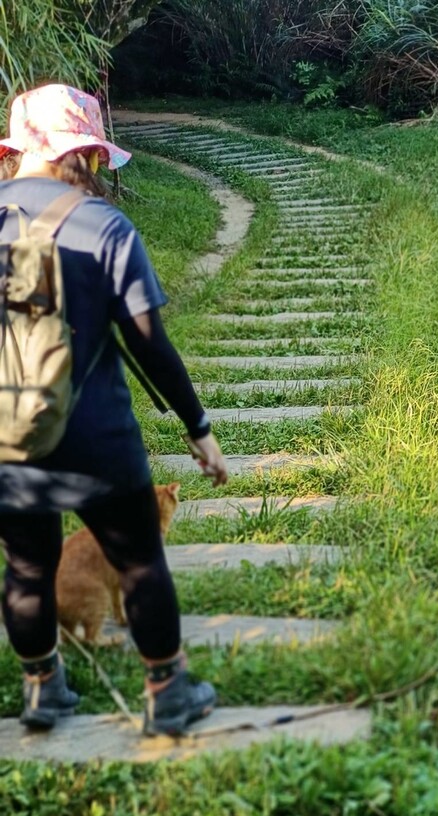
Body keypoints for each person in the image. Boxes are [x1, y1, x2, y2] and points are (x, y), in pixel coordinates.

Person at [0, 83, 228, 736]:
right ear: (86, 154)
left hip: (8, 435)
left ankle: (42, 690)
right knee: (137, 562)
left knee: (26, 564)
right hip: (96, 435)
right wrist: (198, 428)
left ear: (20, 151)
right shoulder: (103, 225)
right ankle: (168, 692)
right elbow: (150, 346)